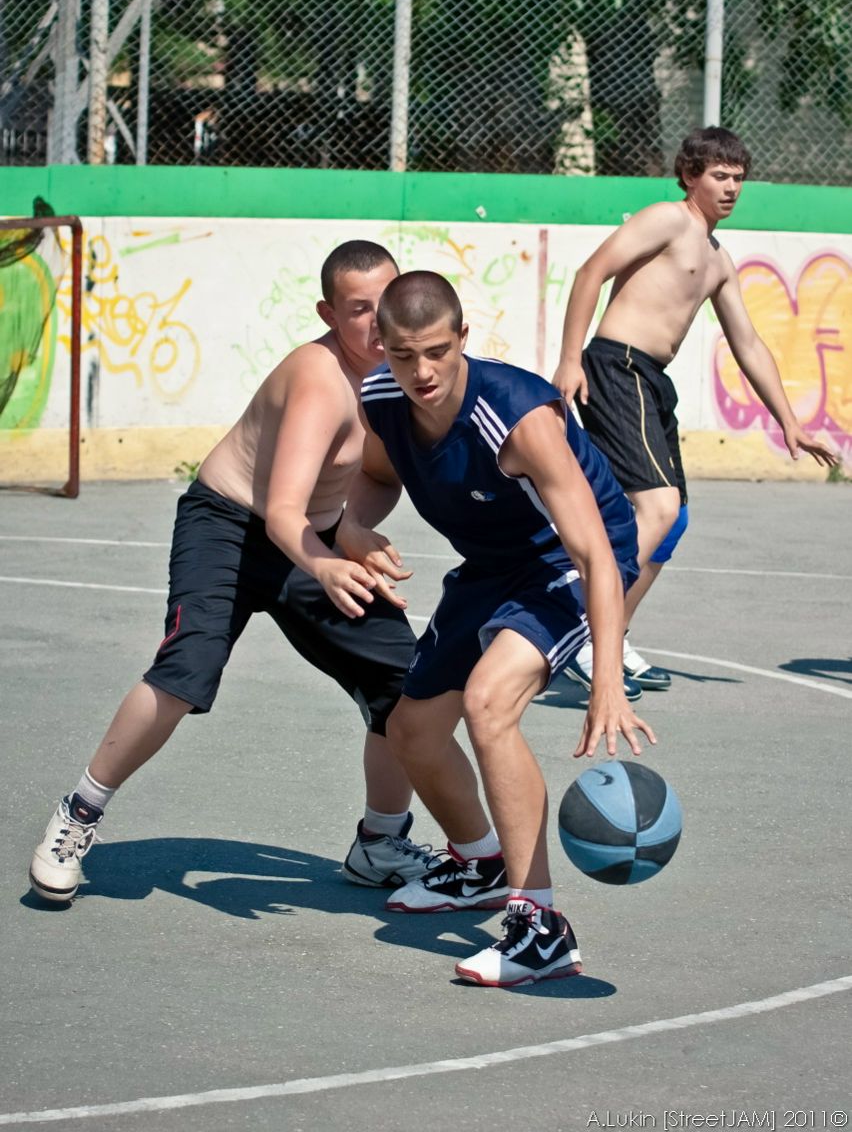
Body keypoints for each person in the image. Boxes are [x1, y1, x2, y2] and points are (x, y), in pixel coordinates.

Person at [29, 241, 440, 904]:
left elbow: (375, 474)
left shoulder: (401, 380)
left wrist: (353, 528)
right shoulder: (320, 379)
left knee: (406, 681)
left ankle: (379, 842)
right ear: (329, 314)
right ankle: (79, 813)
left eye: (384, 303)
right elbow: (281, 512)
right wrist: (326, 561)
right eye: (357, 308)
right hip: (229, 526)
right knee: (184, 671)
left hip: (312, 536)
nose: (375, 321)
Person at [321, 270, 656, 988]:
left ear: (463, 337)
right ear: (383, 346)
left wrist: (606, 680)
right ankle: (479, 864)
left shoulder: (517, 417)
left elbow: (597, 555)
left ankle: (541, 928)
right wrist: (352, 527)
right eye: (404, 355)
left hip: (570, 562)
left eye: (437, 351)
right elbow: (377, 474)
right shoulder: (383, 399)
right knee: (411, 730)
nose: (422, 371)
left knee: (488, 704)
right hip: (493, 565)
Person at [552, 126, 838, 693]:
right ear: (689, 176)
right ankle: (582, 633)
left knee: (672, 520)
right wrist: (569, 359)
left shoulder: (717, 259)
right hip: (617, 366)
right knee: (657, 507)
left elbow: (748, 343)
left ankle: (613, 632)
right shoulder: (667, 219)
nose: (731, 188)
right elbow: (591, 272)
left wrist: (790, 422)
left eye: (739, 178)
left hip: (651, 380)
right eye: (719, 176)